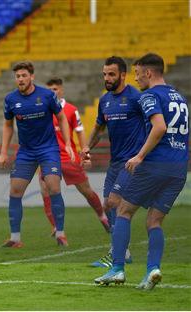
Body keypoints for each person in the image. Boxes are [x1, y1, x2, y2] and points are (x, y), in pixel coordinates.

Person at [94, 53, 189, 290]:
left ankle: (117, 269)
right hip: (178, 167)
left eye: (137, 74)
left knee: (123, 211)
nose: (136, 79)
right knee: (154, 221)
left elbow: (159, 127)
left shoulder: (149, 95)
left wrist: (140, 156)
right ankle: (153, 269)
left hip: (155, 164)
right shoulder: (180, 97)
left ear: (148, 72)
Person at [0, 62, 75, 248]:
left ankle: (61, 233)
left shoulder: (47, 95)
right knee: (15, 192)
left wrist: (67, 144)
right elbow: (8, 125)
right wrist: (3, 152)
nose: (21, 79)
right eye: (18, 76)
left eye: (24, 75)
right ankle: (15, 239)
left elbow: (62, 118)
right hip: (26, 151)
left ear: (31, 76)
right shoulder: (10, 100)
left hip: (48, 149)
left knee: (53, 187)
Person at [84, 56, 144, 268]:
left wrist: (144, 155)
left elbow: (154, 125)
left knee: (114, 202)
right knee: (107, 204)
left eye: (111, 74)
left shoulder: (137, 98)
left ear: (123, 75)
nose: (107, 78)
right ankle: (123, 251)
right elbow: (99, 128)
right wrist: (86, 148)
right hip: (116, 162)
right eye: (104, 74)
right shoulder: (105, 101)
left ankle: (116, 253)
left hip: (133, 161)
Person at [39, 78, 109, 235]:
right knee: (44, 189)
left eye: (55, 89)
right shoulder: (42, 110)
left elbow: (80, 131)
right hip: (48, 158)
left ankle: (102, 216)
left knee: (86, 190)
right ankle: (56, 226)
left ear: (61, 90)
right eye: (49, 90)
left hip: (68, 157)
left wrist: (85, 153)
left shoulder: (70, 109)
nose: (52, 92)